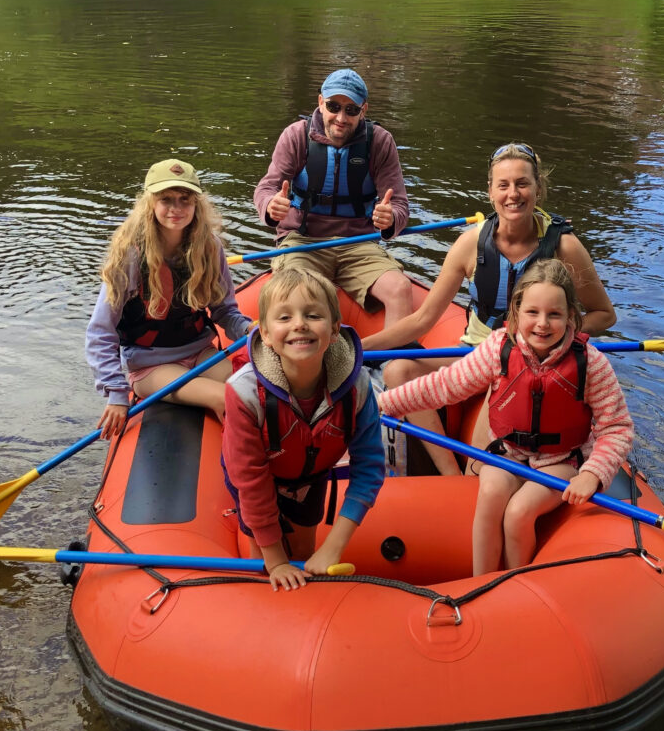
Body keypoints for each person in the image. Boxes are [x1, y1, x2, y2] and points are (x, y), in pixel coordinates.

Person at [379, 259, 633, 575]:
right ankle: (481, 580)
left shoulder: (590, 364)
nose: (542, 324)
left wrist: (592, 474)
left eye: (554, 314)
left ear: (570, 316)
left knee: (518, 512)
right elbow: (445, 386)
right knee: (489, 494)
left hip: (561, 461)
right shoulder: (498, 347)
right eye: (532, 312)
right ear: (516, 311)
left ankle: (514, 583)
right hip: (508, 451)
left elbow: (617, 426)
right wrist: (384, 403)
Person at [377, 142, 617, 474]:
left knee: (484, 459)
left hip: (526, 362)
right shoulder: (470, 243)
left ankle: (474, 473)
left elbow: (604, 314)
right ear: (490, 192)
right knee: (396, 371)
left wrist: (558, 338)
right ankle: (450, 475)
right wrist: (356, 347)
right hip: (474, 353)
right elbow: (422, 319)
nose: (513, 194)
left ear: (538, 189)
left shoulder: (564, 246)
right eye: (503, 185)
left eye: (522, 183)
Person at [222, 269, 385, 592]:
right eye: (285, 317)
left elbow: (369, 468)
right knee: (269, 568)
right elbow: (251, 483)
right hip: (261, 479)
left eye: (313, 315)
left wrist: (333, 547)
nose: (299, 324)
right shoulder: (243, 394)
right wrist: (276, 560)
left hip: (310, 479)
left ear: (335, 329)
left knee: (306, 555)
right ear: (265, 334)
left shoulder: (359, 389)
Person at [85, 159, 252, 439]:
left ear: (196, 204)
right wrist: (116, 392)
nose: (176, 208)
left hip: (201, 354)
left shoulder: (209, 248)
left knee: (256, 393)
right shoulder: (131, 256)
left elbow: (225, 313)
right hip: (151, 366)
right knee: (229, 398)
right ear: (151, 203)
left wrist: (250, 330)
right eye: (166, 199)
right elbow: (100, 332)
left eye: (185, 200)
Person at [254, 68, 414, 330]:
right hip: (303, 240)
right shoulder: (296, 135)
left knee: (399, 288)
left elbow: (399, 206)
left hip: (358, 242)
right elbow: (266, 188)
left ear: (363, 110)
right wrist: (271, 205)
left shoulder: (380, 142)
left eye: (351, 110)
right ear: (320, 103)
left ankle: (393, 366)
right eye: (333, 106)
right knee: (299, 296)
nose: (341, 117)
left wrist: (390, 219)